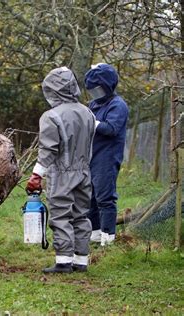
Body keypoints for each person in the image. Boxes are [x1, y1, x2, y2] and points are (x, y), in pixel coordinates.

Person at [27, 67, 95, 273]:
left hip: (63, 173)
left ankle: (63, 261)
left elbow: (48, 149)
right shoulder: (88, 112)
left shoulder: (51, 116)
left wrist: (37, 174)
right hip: (84, 171)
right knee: (81, 215)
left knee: (61, 215)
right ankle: (81, 260)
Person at [84, 63, 129, 246]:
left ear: (108, 85)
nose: (95, 94)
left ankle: (108, 236)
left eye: (98, 89)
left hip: (107, 157)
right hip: (91, 156)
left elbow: (111, 129)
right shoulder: (93, 104)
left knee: (104, 197)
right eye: (92, 90)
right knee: (90, 197)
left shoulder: (118, 105)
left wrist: (91, 122)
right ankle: (94, 233)